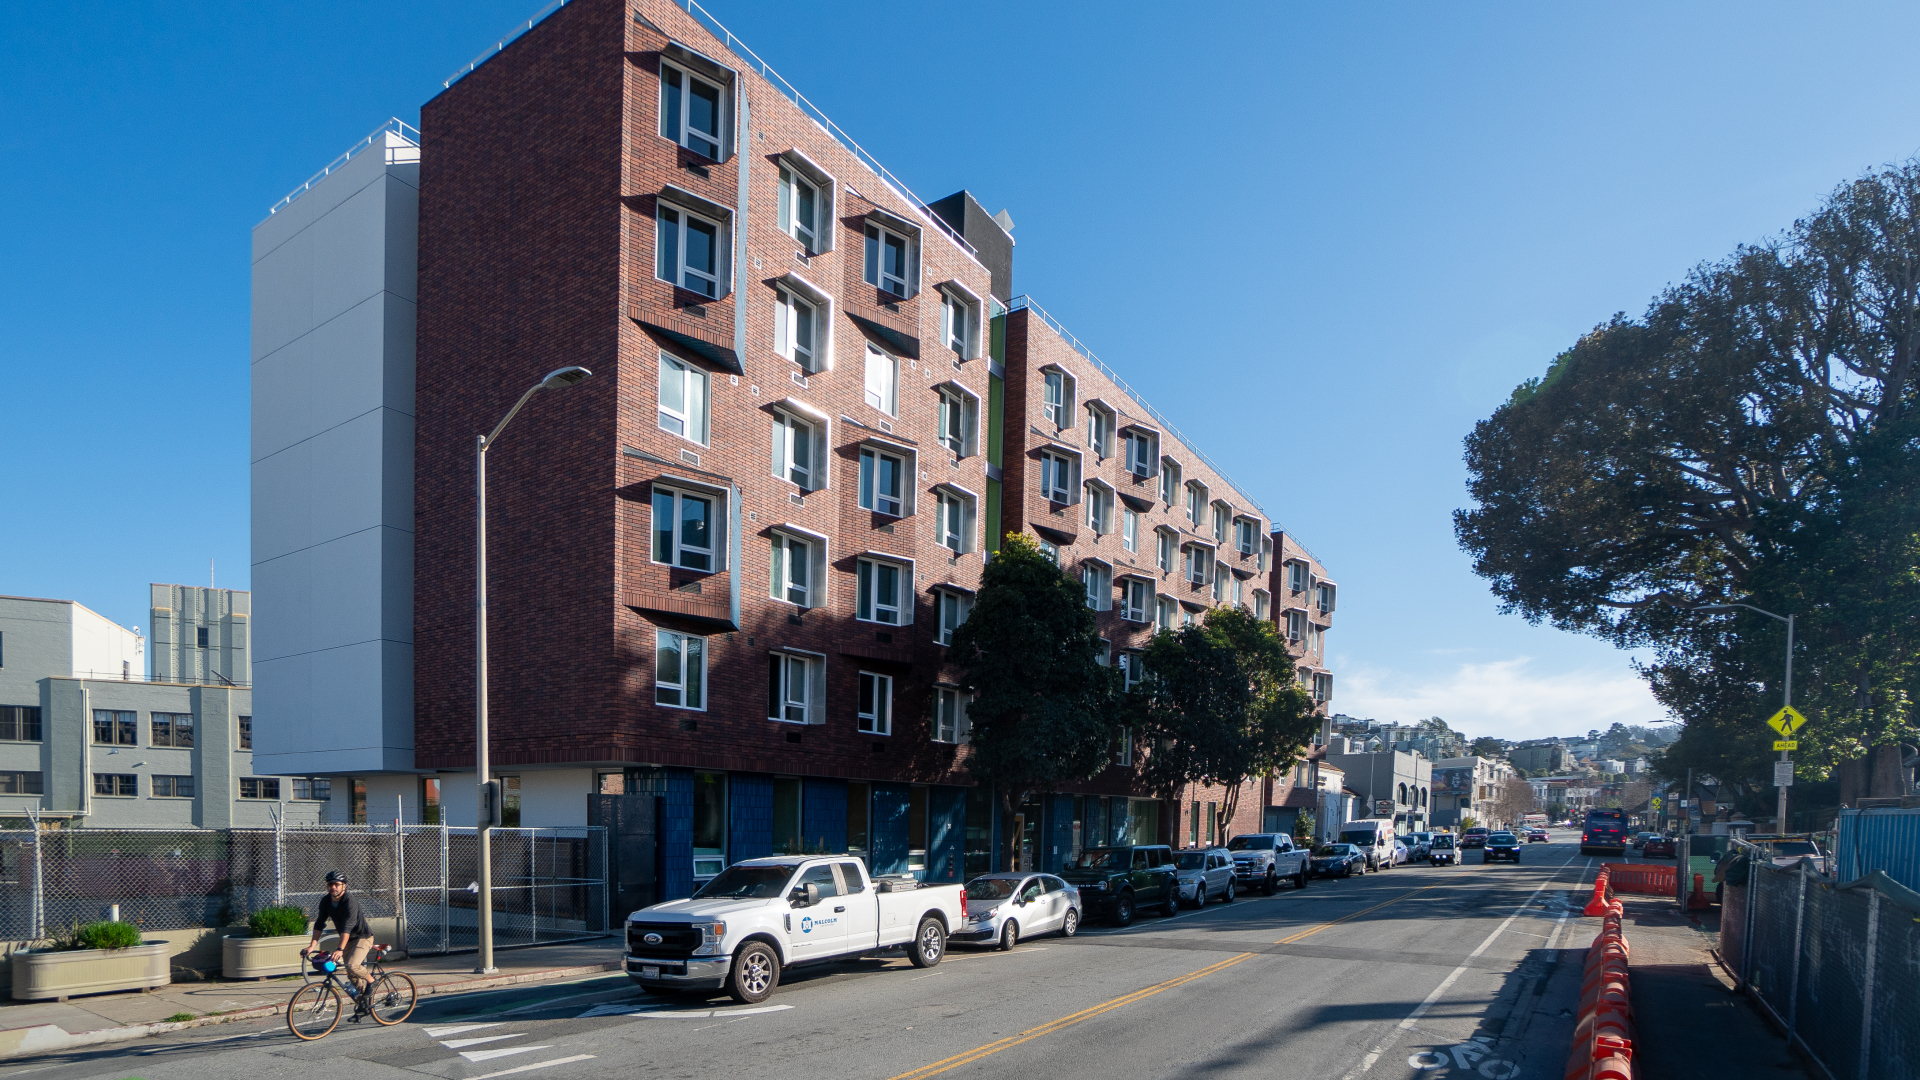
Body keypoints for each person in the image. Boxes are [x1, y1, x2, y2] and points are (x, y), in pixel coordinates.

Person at [309, 870, 375, 998]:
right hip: (348, 940)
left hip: (363, 937)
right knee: (351, 974)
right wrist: (311, 946)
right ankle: (364, 1001)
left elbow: (347, 927)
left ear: (344, 886)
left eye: (336, 884)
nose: (333, 887)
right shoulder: (326, 901)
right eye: (330, 884)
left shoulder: (350, 902)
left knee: (352, 965)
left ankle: (372, 981)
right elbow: (319, 924)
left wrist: (339, 949)